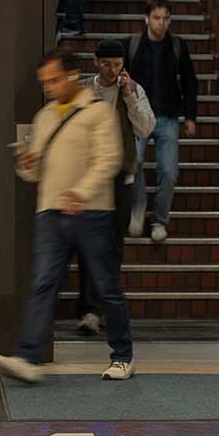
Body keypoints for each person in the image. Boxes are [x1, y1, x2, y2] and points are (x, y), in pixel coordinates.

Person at [0, 49, 134, 382]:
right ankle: (28, 357)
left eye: (53, 80)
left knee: (106, 286)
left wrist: (80, 192)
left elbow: (109, 160)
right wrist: (27, 165)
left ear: (72, 75)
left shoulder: (97, 112)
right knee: (42, 284)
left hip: (93, 213)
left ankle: (123, 356)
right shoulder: (44, 117)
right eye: (45, 82)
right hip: (50, 214)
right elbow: (37, 175)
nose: (48, 87)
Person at [75, 39, 155, 335]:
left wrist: (129, 96)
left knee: (112, 246)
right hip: (89, 177)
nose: (112, 70)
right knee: (88, 245)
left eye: (118, 65)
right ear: (96, 63)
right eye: (107, 64)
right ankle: (89, 310)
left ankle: (103, 308)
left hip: (122, 178)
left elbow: (146, 128)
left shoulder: (133, 90)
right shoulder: (83, 89)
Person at [127, 0, 198, 243]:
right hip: (138, 116)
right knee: (133, 162)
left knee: (168, 171)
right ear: (146, 18)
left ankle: (159, 220)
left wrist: (190, 116)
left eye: (166, 18)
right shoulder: (133, 45)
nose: (161, 23)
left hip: (167, 116)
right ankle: (138, 207)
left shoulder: (177, 46)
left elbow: (189, 81)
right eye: (156, 18)